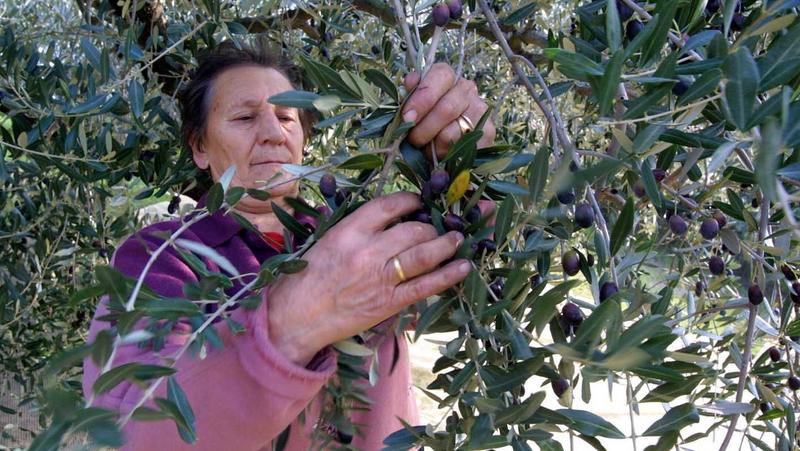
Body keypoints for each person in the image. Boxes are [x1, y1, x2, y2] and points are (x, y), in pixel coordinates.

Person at [82, 39, 495, 450]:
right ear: (200, 147)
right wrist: (290, 323)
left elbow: (473, 279)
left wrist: (470, 166)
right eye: (245, 117)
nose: (273, 133)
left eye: (286, 117)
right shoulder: (161, 257)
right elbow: (128, 428)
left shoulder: (355, 231)